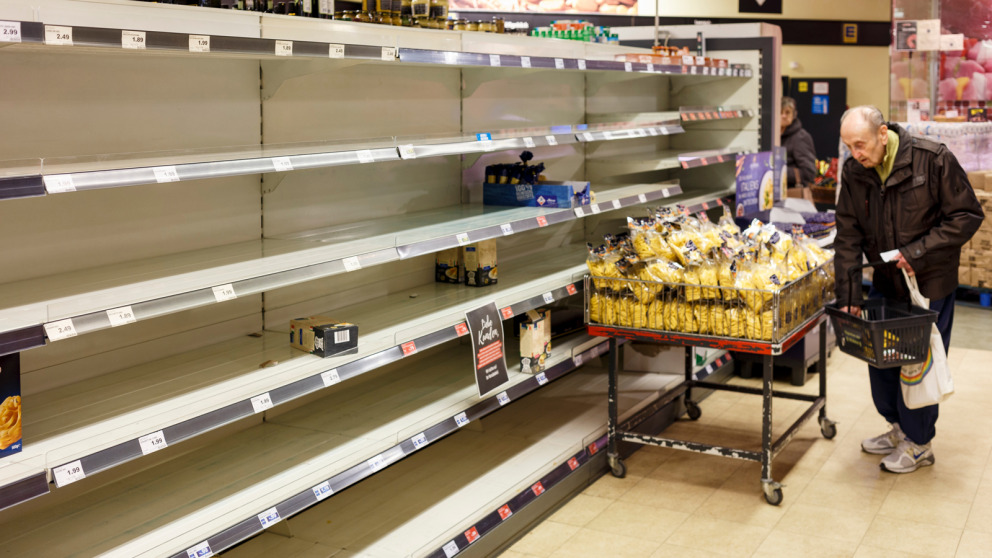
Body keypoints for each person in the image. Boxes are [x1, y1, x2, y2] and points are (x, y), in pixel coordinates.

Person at [834, 105, 984, 473]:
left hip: (928, 284)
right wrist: (850, 296)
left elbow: (967, 215)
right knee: (881, 360)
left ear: (883, 134)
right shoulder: (855, 171)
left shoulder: (932, 159)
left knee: (917, 364)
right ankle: (897, 428)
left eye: (861, 144)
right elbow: (848, 234)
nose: (856, 154)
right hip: (885, 282)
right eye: (849, 146)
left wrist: (916, 252)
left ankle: (919, 444)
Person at [781, 97, 817, 191]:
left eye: (787, 112)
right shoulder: (773, 136)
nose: (783, 116)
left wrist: (779, 171)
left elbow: (809, 173)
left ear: (794, 115)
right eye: (780, 112)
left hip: (793, 195)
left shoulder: (801, 137)